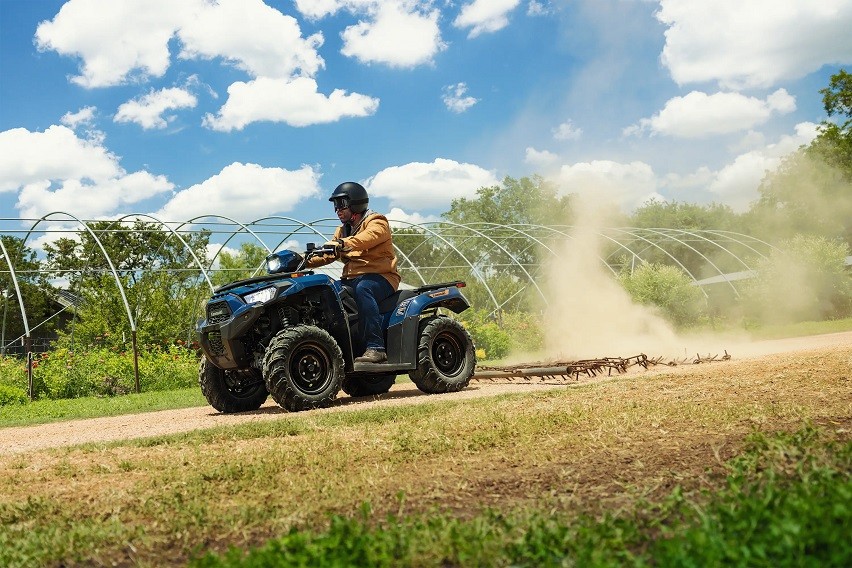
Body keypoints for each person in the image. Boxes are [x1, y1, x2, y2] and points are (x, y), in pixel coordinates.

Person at [306, 181, 400, 363]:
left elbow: (366, 238)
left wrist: (344, 243)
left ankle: (376, 347)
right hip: (352, 279)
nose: (337, 210)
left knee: (364, 289)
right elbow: (328, 254)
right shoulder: (342, 230)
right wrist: (302, 261)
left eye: (341, 204)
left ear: (355, 203)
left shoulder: (377, 222)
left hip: (382, 278)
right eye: (335, 206)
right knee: (325, 290)